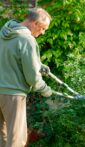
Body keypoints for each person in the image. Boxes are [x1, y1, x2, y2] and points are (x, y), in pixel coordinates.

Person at [0, 7, 52, 147]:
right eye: (43, 28)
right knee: (16, 140)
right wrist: (45, 89)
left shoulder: (3, 34)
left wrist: (38, 63)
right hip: (13, 95)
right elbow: (32, 78)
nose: (43, 32)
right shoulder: (27, 40)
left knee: (2, 138)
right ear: (35, 23)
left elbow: (9, 58)